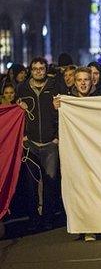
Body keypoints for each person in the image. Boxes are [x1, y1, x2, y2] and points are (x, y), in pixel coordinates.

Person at [15, 57, 62, 230]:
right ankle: (34, 220)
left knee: (50, 182)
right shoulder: (22, 88)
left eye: (41, 68)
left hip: (50, 143)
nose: (38, 71)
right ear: (30, 70)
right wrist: (23, 135)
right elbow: (16, 116)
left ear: (45, 69)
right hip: (31, 144)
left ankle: (48, 219)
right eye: (35, 69)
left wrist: (57, 137)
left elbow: (64, 113)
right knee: (31, 184)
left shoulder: (55, 86)